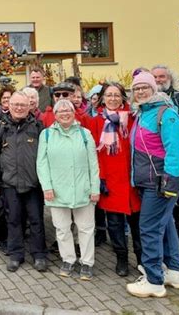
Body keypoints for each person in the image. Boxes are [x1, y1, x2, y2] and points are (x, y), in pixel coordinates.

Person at [126, 72, 179, 298]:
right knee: (166, 224)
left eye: (144, 87)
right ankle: (173, 270)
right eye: (136, 88)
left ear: (154, 89)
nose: (140, 92)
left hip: (159, 183)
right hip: (148, 182)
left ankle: (153, 280)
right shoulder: (143, 113)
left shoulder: (165, 113)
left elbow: (174, 150)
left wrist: (170, 184)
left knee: (149, 229)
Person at [37, 99, 100, 281]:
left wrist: (94, 188)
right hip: (56, 190)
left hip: (83, 189)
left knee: (86, 228)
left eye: (68, 110)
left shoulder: (84, 134)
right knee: (62, 228)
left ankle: (87, 262)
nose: (65, 113)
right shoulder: (46, 135)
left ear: (74, 113)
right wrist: (47, 187)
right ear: (55, 115)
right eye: (60, 111)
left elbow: (93, 164)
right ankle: (68, 260)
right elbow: (41, 164)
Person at [0, 91, 47, 272]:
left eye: (23, 105)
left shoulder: (38, 127)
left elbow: (45, 156)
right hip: (10, 184)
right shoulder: (1, 127)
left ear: (30, 106)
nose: (19, 108)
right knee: (13, 220)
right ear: (9, 106)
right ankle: (16, 255)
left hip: (33, 184)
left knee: (36, 220)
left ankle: (39, 255)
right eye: (15, 105)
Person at [90, 82, 142, 277]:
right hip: (109, 180)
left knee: (137, 224)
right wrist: (100, 178)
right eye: (109, 95)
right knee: (114, 224)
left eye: (116, 95)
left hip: (131, 181)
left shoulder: (132, 119)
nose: (112, 99)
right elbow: (93, 153)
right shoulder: (95, 122)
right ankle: (121, 258)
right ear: (102, 98)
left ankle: (141, 258)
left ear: (123, 98)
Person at [151, 64, 179, 242]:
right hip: (156, 153)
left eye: (161, 76)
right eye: (155, 77)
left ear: (169, 78)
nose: (158, 80)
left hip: (178, 151)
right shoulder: (150, 99)